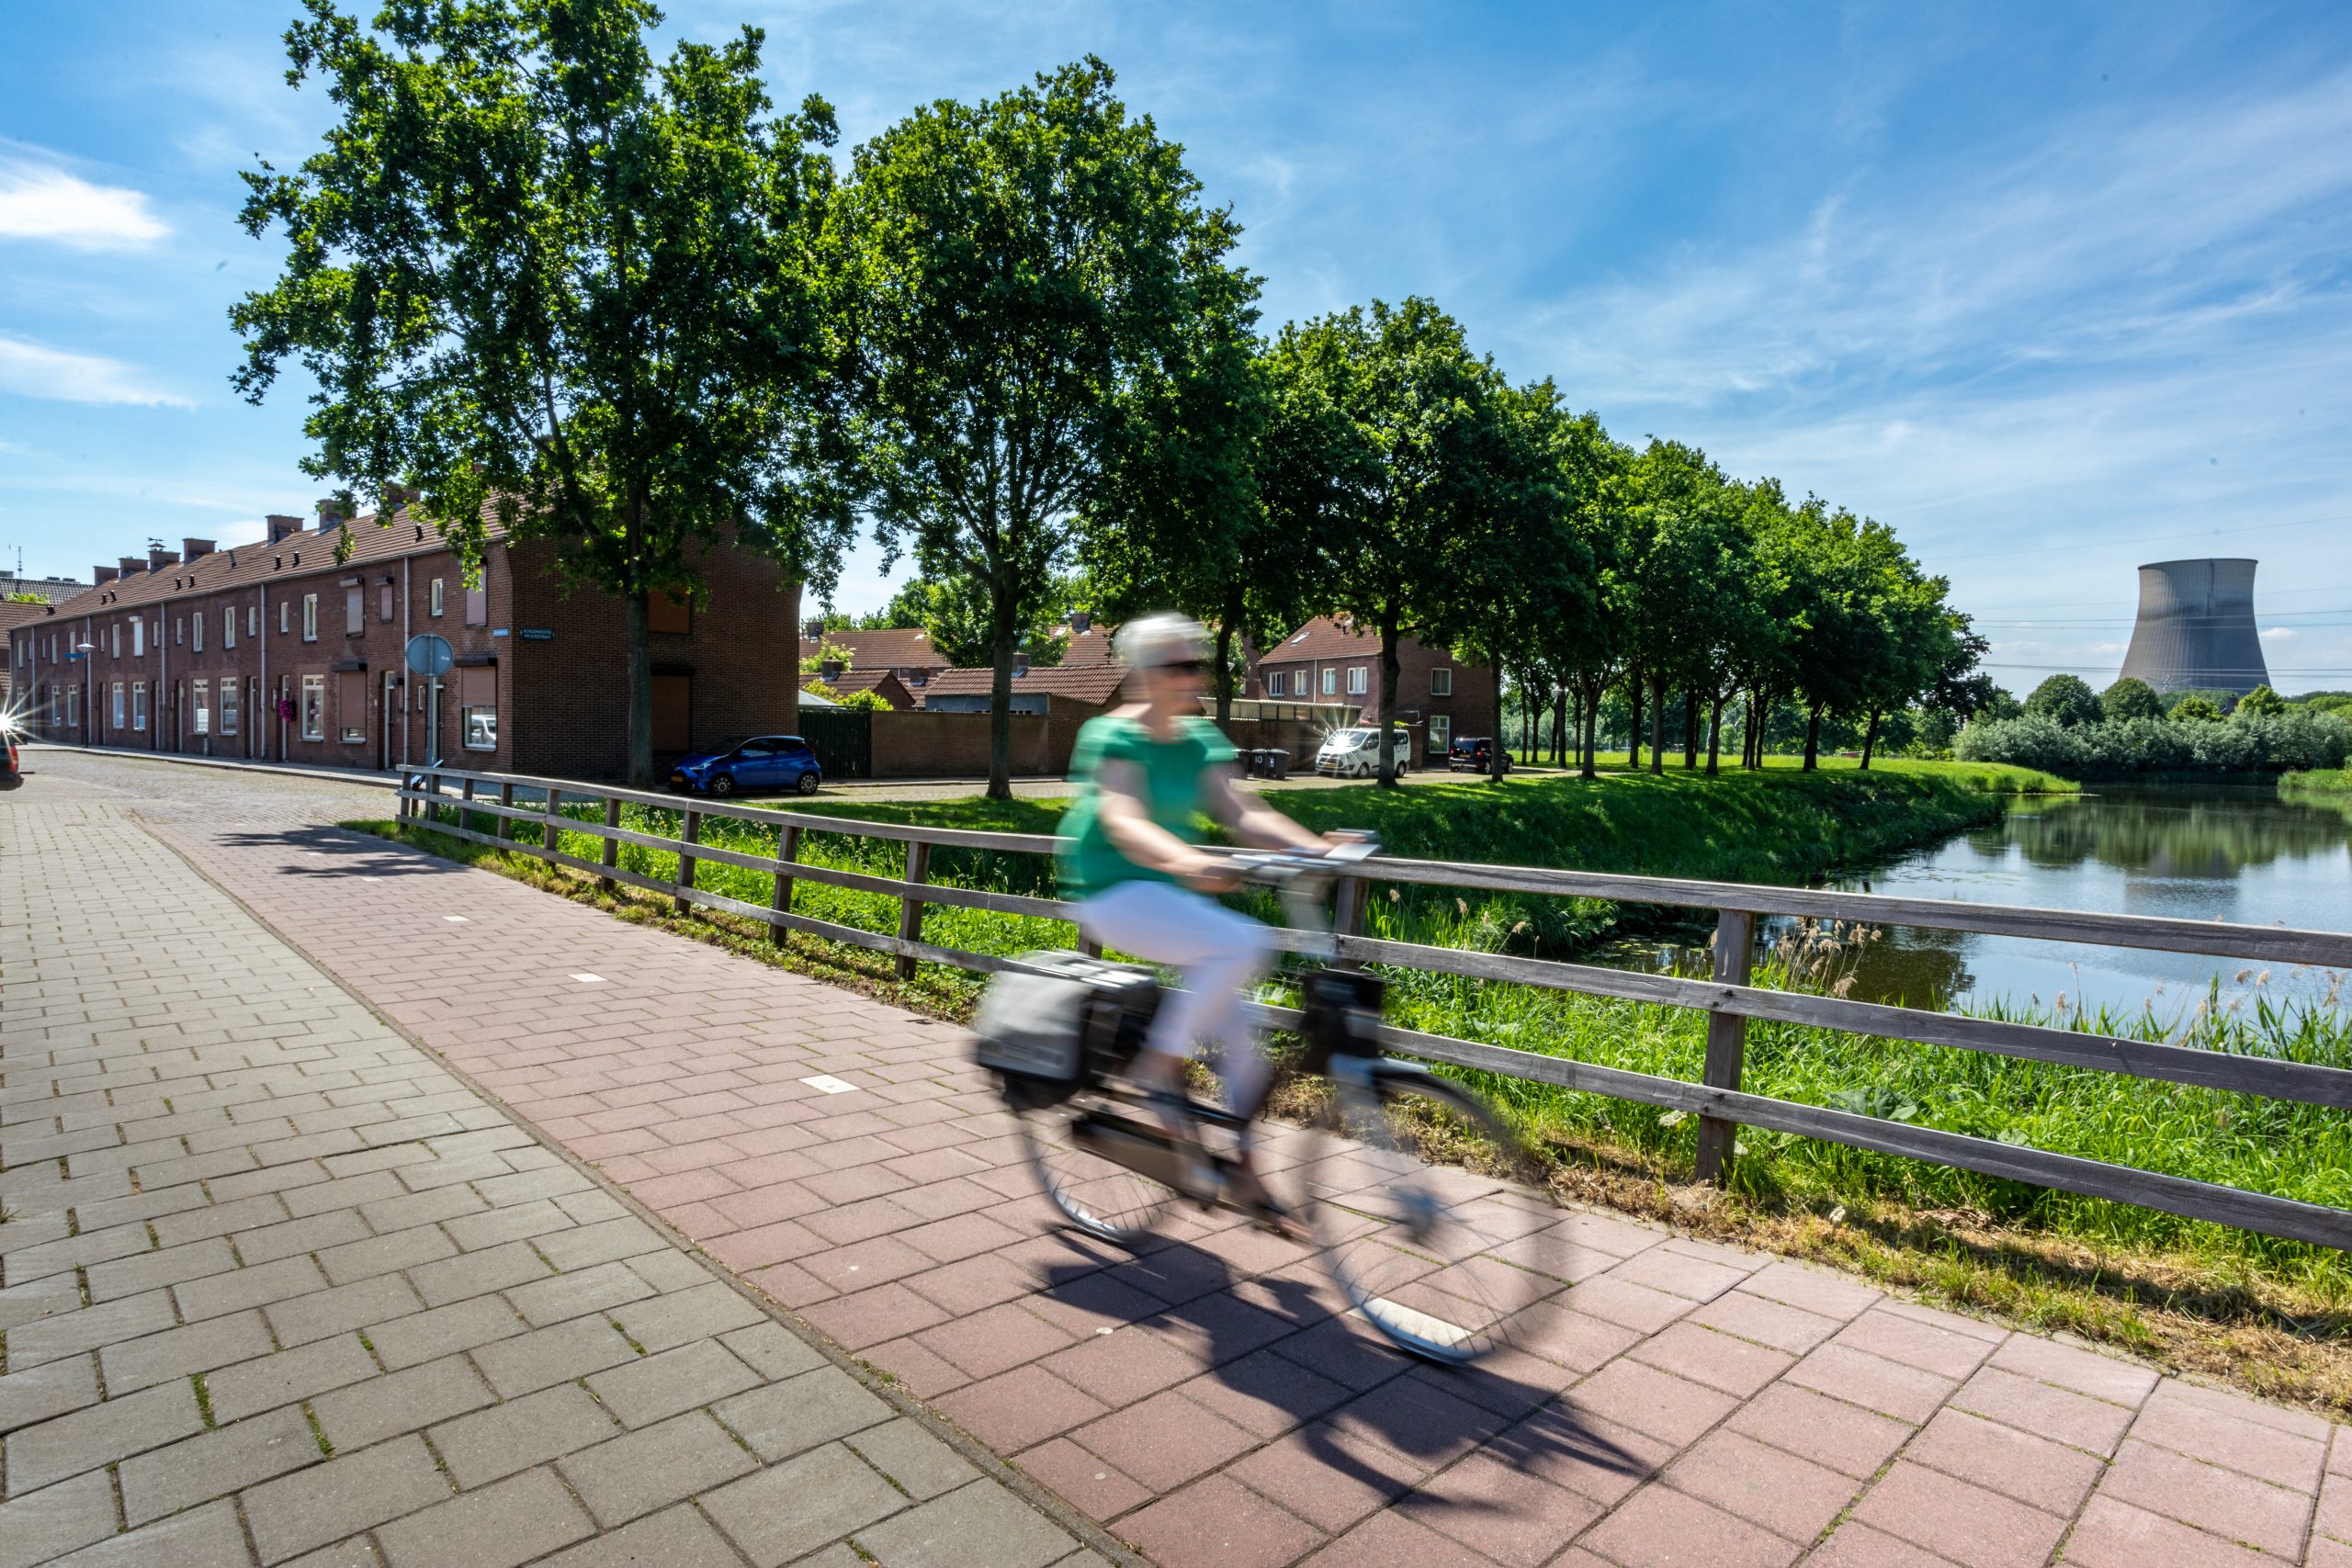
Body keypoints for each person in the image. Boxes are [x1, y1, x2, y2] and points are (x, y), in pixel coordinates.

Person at [1058, 614, 1347, 1228]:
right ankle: (1160, 1060)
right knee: (1244, 940)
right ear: (1142, 675)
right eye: (1177, 665)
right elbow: (1122, 817)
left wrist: (1314, 848)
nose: (1193, 674)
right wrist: (1185, 859)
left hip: (1166, 895)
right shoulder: (1113, 736)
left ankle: (1242, 1168)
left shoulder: (1199, 740)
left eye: (1197, 662)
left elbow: (1245, 812)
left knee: (1246, 1044)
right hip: (1111, 891)